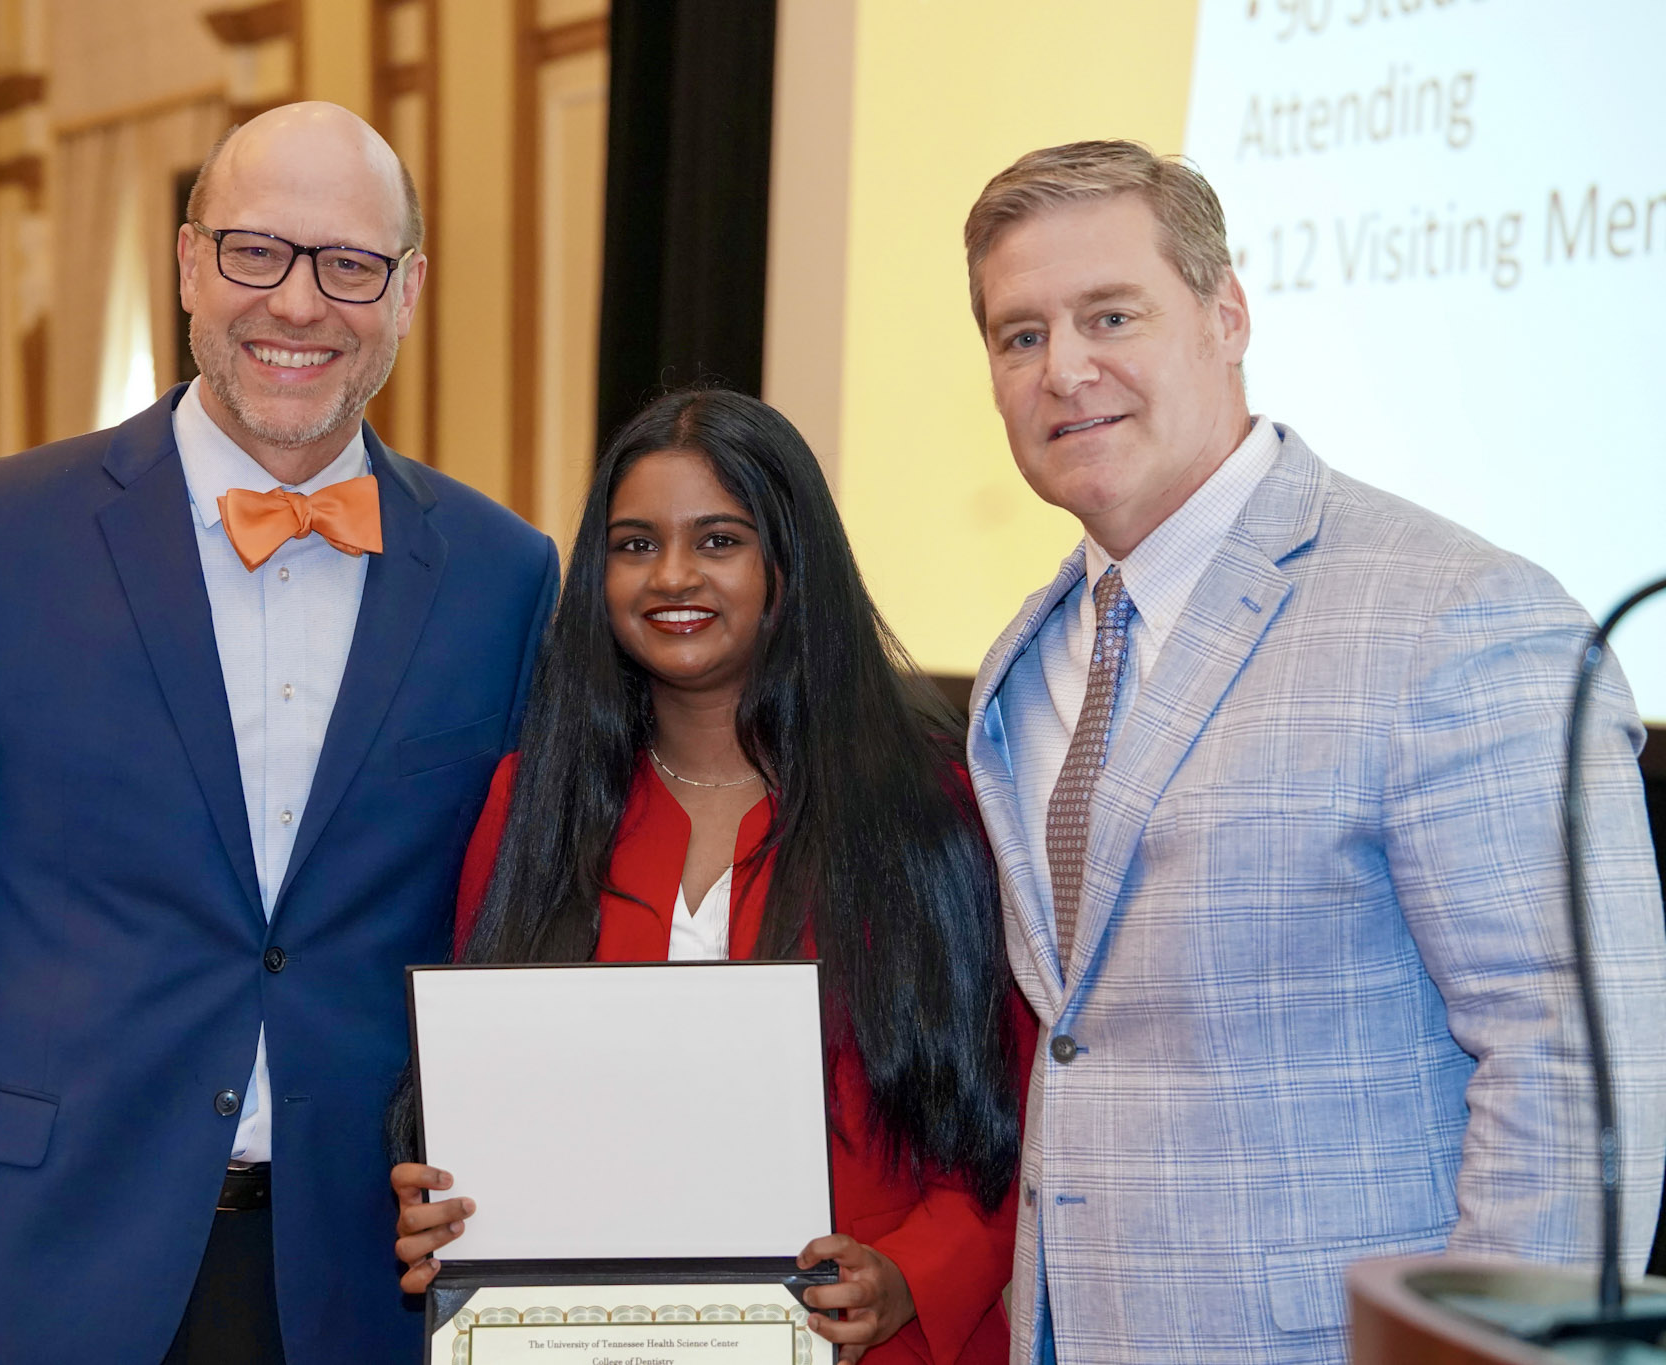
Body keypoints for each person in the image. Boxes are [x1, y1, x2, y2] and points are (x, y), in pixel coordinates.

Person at [0, 103, 558, 1365]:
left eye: (348, 265)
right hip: (25, 1262)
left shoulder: (501, 573)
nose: (297, 303)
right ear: (192, 263)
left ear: (408, 292)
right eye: (256, 251)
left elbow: (509, 937)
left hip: (360, 1282)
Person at [959, 139, 1666, 1365]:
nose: (1063, 368)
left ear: (1226, 314)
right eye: (1020, 335)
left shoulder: (1457, 617)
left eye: (1109, 315)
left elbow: (1571, 1074)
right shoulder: (1025, 660)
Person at [388, 389, 1035, 1364]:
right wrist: (446, 1201)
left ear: (789, 564)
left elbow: (1015, 1116)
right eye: (635, 544)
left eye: (719, 540)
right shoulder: (535, 802)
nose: (672, 576)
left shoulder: (930, 804)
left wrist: (909, 1275)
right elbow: (490, 1095)